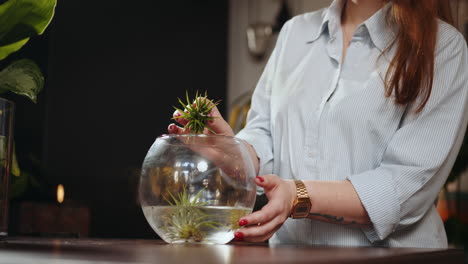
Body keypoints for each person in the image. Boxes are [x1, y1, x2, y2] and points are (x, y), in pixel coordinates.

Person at [168, 0, 468, 248]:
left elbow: (403, 186)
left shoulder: (444, 48)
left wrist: (297, 195)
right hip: (290, 256)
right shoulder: (294, 33)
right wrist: (230, 153)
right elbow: (264, 134)